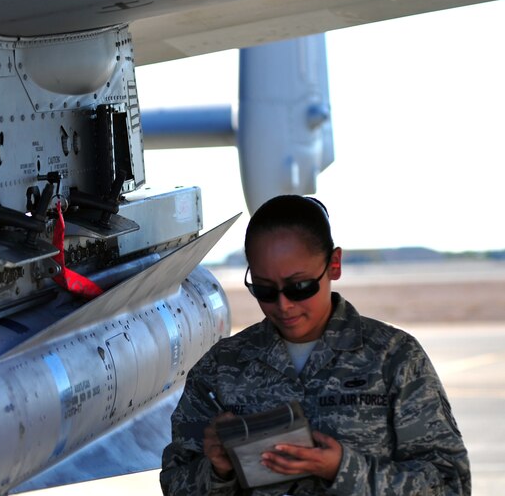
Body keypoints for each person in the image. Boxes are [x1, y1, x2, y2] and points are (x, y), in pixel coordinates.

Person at [160, 195, 470, 495]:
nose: (283, 305)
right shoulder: (222, 367)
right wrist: (217, 469)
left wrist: (343, 470)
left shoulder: (394, 358)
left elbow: (449, 484)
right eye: (265, 290)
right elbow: (176, 484)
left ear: (334, 265)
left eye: (300, 287)